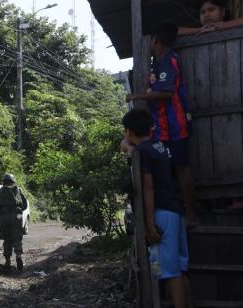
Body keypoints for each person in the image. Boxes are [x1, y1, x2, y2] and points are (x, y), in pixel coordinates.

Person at [125, 23, 199, 226]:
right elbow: (154, 87)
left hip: (176, 125)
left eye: (150, 39)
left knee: (182, 168)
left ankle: (192, 214)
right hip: (161, 126)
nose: (148, 43)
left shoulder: (169, 61)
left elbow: (166, 93)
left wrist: (136, 95)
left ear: (156, 41)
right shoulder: (157, 64)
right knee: (167, 169)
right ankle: (176, 211)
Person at [122, 109, 191, 308]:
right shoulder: (159, 145)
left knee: (170, 272)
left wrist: (150, 224)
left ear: (128, 131)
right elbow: (125, 145)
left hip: (161, 214)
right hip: (176, 211)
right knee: (179, 268)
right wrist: (128, 146)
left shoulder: (142, 152)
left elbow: (148, 188)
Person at [0, 173, 28, 271]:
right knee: (17, 239)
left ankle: (7, 261)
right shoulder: (18, 190)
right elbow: (24, 205)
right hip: (17, 218)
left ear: (4, 181)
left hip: (5, 218)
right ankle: (18, 256)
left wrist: (1, 217)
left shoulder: (0, 192)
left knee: (7, 239)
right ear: (13, 181)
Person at [179, 0, 243, 36]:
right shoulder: (199, 33)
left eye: (211, 10)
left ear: (223, 11)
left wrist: (219, 26)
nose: (206, 15)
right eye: (203, 12)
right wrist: (200, 30)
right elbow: (175, 30)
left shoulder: (235, 27)